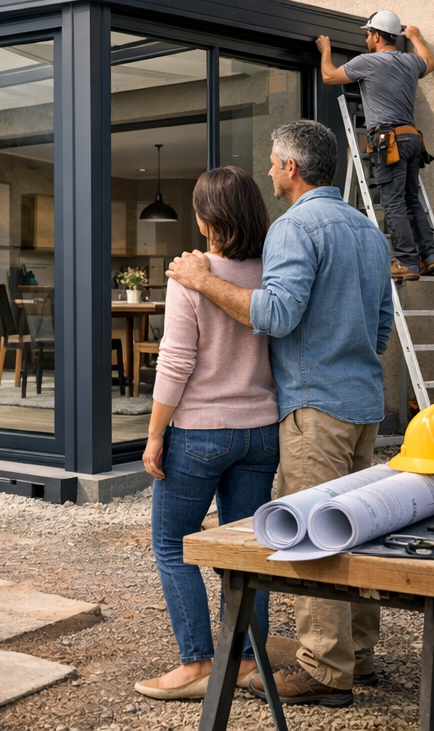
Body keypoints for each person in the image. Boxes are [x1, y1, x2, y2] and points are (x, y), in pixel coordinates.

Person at [168, 120, 393, 708]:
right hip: (364, 403)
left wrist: (201, 278)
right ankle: (359, 656)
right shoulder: (369, 231)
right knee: (359, 529)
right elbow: (381, 328)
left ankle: (323, 669)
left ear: (291, 168)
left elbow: (276, 314)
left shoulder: (295, 228)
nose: (268, 170)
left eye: (273, 161)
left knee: (318, 535)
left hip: (315, 407)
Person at [135, 167, 278, 702]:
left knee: (174, 543)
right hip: (261, 430)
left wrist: (154, 435)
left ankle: (197, 662)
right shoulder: (273, 271)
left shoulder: (191, 274)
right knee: (248, 549)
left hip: (199, 433)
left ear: (204, 219)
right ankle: (244, 661)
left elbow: (174, 362)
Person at [317, 10, 434, 280]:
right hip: (410, 139)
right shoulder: (410, 62)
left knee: (393, 202)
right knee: (410, 199)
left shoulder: (368, 62)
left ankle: (407, 263)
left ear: (376, 36)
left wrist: (325, 50)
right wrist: (416, 38)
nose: (365, 39)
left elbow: (328, 76)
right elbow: (430, 63)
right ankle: (429, 257)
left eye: (367, 34)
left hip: (388, 140)